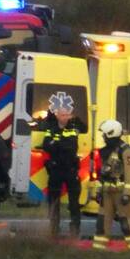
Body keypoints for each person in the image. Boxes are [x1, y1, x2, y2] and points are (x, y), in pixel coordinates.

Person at [38, 92, 85, 238]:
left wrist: (56, 144)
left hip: (70, 169)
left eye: (67, 115)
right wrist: (58, 145)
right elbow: (46, 146)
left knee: (74, 203)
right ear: (57, 115)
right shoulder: (51, 130)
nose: (65, 117)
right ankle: (53, 230)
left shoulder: (72, 129)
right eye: (62, 115)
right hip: (56, 169)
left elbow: (71, 147)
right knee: (53, 202)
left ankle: (74, 231)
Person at [92, 119, 130, 251]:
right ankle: (97, 252)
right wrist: (98, 191)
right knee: (102, 225)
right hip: (107, 194)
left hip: (121, 194)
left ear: (111, 134)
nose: (103, 137)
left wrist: (126, 194)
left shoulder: (126, 152)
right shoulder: (104, 152)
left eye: (104, 134)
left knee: (126, 224)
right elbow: (100, 174)